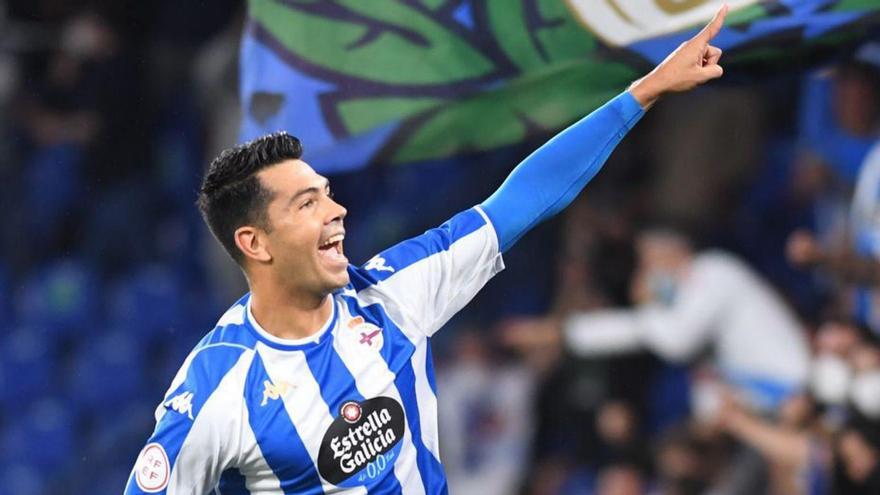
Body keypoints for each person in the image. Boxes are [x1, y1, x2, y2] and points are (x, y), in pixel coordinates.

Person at [124, 6, 729, 493]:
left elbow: (520, 201)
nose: (336, 212)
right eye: (307, 204)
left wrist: (644, 92)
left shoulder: (394, 292)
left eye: (328, 194)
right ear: (254, 243)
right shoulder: (217, 388)